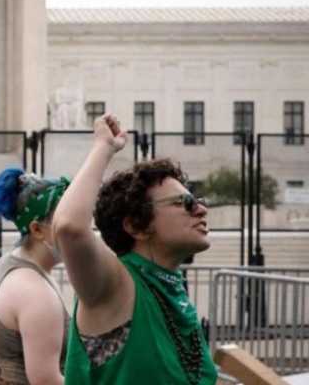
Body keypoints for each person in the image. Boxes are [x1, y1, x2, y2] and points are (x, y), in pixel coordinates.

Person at [52, 114, 217, 384]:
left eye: (197, 199)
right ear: (137, 227)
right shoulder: (117, 285)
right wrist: (104, 147)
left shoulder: (169, 286)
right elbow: (70, 227)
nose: (201, 209)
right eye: (185, 202)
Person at [0, 168, 70, 384]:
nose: (81, 229)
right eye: (68, 221)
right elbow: (46, 380)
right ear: (37, 229)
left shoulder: (10, 264)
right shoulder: (34, 292)